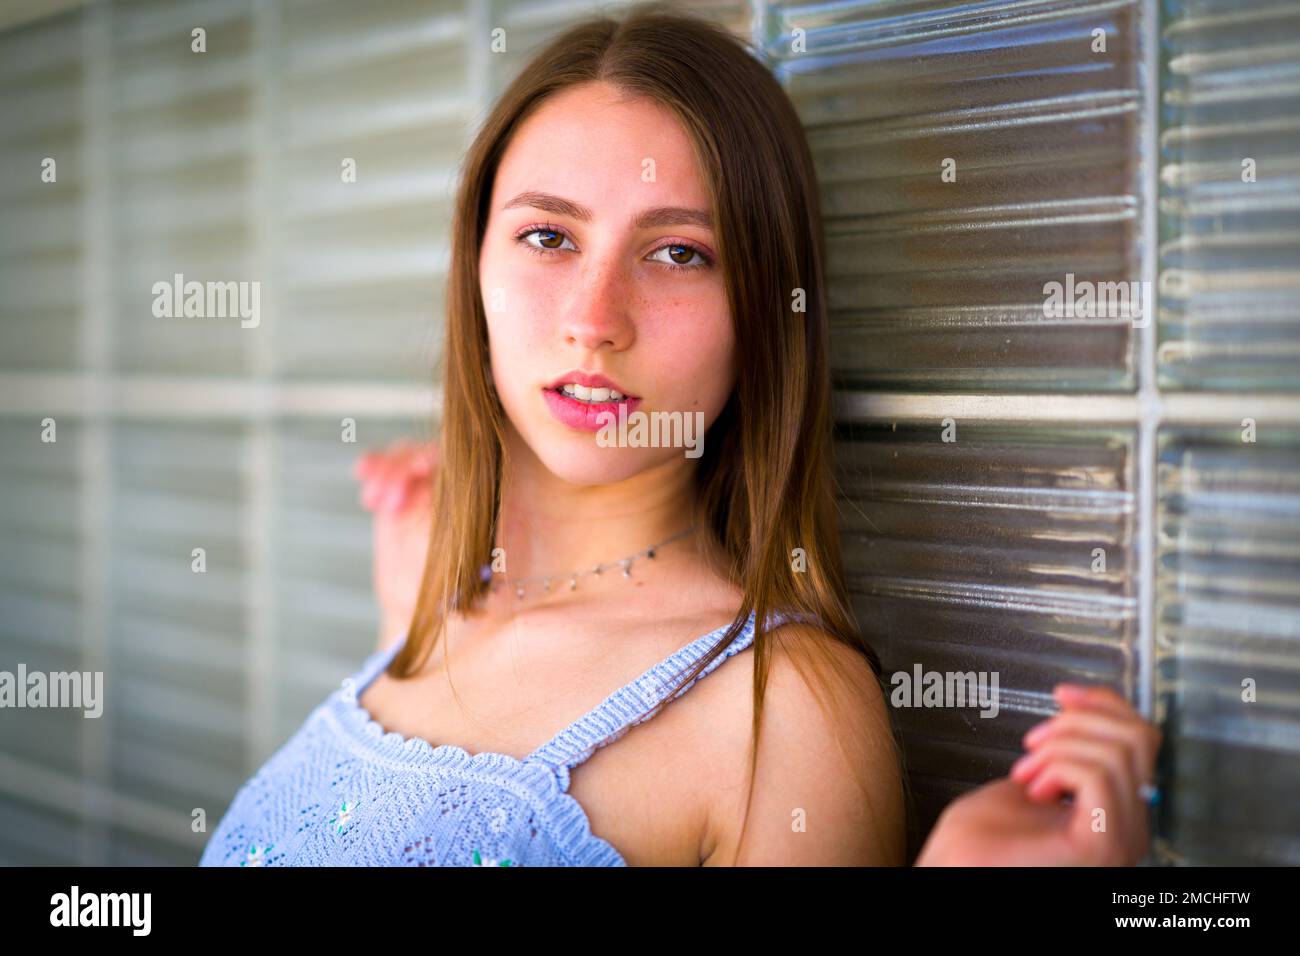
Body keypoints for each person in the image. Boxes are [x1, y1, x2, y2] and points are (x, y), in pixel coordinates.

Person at [202, 2, 1161, 867]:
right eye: (549, 236)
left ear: (763, 314)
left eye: (677, 253)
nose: (595, 317)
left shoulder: (783, 711)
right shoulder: (427, 573)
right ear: (476, 266)